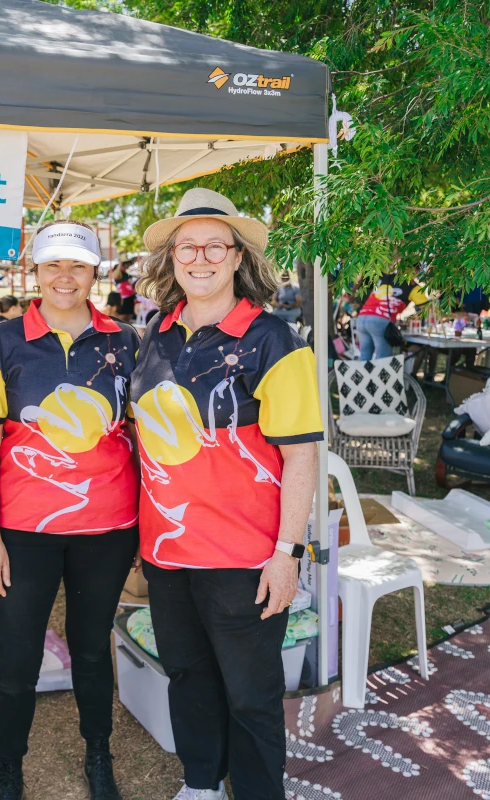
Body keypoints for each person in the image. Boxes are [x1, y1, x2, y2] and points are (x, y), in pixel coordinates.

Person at [131, 188, 323, 800]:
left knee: (251, 696)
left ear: (238, 256)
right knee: (187, 675)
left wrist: (288, 552)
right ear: (172, 259)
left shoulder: (274, 340)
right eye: (188, 245)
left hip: (243, 556)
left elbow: (301, 455)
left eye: (216, 244)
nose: (201, 256)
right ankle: (201, 784)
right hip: (166, 550)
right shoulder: (155, 334)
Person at [0, 221, 140, 800]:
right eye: (52, 266)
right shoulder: (2, 342)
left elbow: (143, 438)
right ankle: (9, 771)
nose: (64, 277)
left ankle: (100, 756)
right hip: (25, 528)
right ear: (35, 272)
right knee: (15, 658)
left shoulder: (127, 340)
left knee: (92, 648)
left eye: (77, 265)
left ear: (95, 272)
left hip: (108, 526)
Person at [355, 272, 428, 360]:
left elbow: (371, 297)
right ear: (417, 269)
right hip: (380, 320)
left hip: (362, 317)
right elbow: (426, 308)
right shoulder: (412, 285)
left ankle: (362, 374)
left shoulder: (386, 278)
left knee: (364, 356)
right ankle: (379, 374)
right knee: (383, 359)